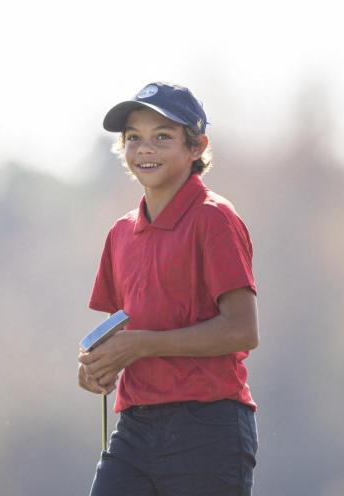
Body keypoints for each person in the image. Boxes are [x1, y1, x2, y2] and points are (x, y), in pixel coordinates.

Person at [78, 82, 259, 496]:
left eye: (162, 137)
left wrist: (142, 345)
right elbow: (121, 330)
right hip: (136, 426)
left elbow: (242, 330)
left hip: (208, 425)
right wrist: (99, 365)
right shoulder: (121, 232)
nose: (145, 149)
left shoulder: (214, 218)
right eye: (134, 138)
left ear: (196, 147)